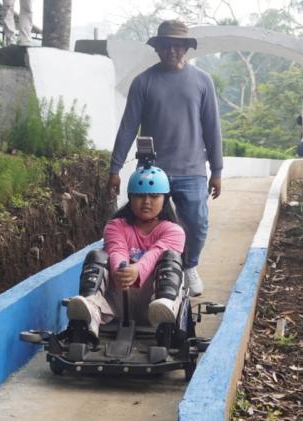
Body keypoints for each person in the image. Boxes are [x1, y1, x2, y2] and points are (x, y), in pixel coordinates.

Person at [108, 20, 223, 297]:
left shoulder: (202, 81)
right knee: (145, 224)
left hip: (192, 169)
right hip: (152, 172)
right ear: (157, 48)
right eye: (166, 45)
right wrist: (115, 168)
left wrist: (217, 170)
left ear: (186, 48)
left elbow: (212, 127)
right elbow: (127, 127)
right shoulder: (143, 82)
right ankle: (151, 272)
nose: (172, 50)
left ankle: (189, 266)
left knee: (196, 221)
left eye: (178, 45)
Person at [66, 166, 187, 338]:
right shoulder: (116, 225)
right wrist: (120, 272)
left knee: (170, 257)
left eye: (154, 196)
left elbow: (155, 254)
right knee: (97, 256)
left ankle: (165, 309)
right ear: (130, 198)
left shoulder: (174, 231)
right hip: (118, 300)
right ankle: (92, 308)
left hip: (155, 303)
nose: (146, 201)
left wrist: (136, 270)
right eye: (140, 195)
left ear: (165, 199)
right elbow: (117, 250)